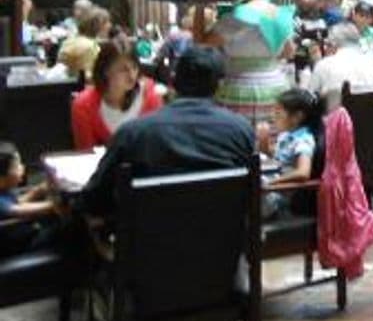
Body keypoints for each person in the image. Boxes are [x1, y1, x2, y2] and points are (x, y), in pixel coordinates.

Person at [79, 46, 256, 217]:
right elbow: (251, 196)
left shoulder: (133, 133)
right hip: (224, 243)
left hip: (146, 243)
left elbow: (93, 199)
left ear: (173, 81)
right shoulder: (242, 130)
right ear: (220, 85)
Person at [212, 0, 295, 125]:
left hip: (239, 88)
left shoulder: (237, 17)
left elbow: (201, 40)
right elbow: (289, 51)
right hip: (275, 86)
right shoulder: (280, 13)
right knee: (270, 142)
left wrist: (201, 4)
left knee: (238, 143)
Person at [71, 36, 164, 150]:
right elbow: (85, 154)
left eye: (134, 67)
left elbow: (157, 146)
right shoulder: (83, 105)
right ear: (105, 71)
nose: (132, 76)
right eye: (123, 70)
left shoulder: (150, 97)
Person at [259, 88, 324, 218]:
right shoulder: (287, 135)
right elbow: (280, 156)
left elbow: (303, 172)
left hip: (281, 196)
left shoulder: (303, 140)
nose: (273, 117)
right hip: (273, 187)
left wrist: (272, 183)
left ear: (297, 117)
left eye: (278, 113)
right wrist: (264, 143)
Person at [309, 22, 373, 111]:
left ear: (332, 44)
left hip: (338, 122)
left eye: (327, 44)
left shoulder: (324, 65)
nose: (325, 49)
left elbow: (309, 100)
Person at [0, 141, 62, 255]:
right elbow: (17, 210)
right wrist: (54, 204)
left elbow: (16, 202)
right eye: (16, 166)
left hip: (20, 228)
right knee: (68, 227)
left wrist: (39, 190)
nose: (22, 168)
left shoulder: (3, 192)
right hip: (19, 242)